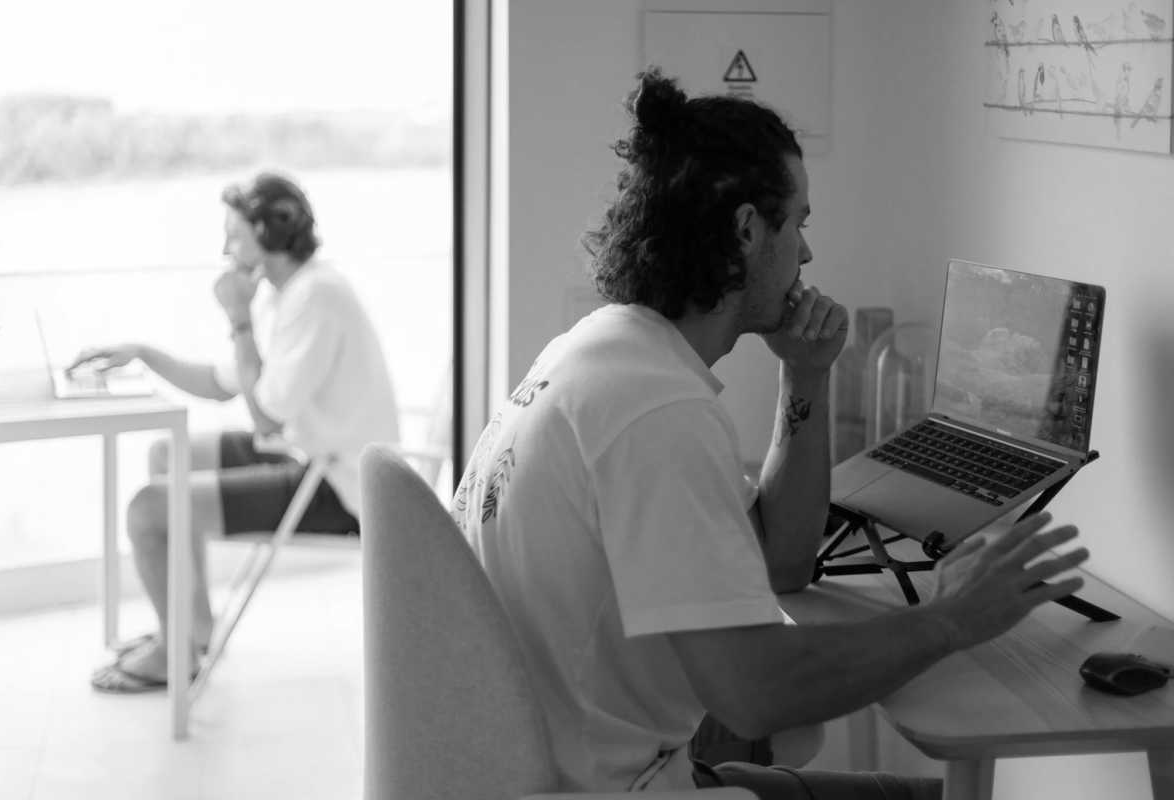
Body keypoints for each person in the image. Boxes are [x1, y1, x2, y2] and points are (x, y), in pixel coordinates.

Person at [450, 69, 1089, 798]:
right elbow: (755, 694)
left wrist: (805, 375)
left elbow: (781, 563)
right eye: (800, 223)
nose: (807, 254)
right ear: (749, 230)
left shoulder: (601, 354)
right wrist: (952, 619)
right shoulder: (657, 413)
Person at [76, 172, 399, 693]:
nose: (225, 249)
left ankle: (175, 655)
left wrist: (238, 318)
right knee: (167, 454)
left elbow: (266, 417)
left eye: (234, 235)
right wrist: (142, 353)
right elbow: (222, 383)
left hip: (339, 487)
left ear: (269, 233)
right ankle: (192, 631)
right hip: (305, 454)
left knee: (147, 510)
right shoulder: (288, 292)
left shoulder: (315, 297)